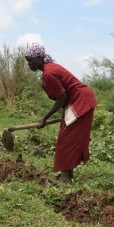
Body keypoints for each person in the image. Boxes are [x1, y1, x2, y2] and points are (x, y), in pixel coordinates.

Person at [24, 43, 97, 183]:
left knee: (67, 137)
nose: (29, 64)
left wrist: (45, 117)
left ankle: (65, 177)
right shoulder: (50, 69)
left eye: (30, 60)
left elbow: (62, 98)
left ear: (39, 59)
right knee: (69, 136)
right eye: (27, 61)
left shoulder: (49, 73)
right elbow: (63, 97)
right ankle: (68, 174)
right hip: (77, 100)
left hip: (81, 101)